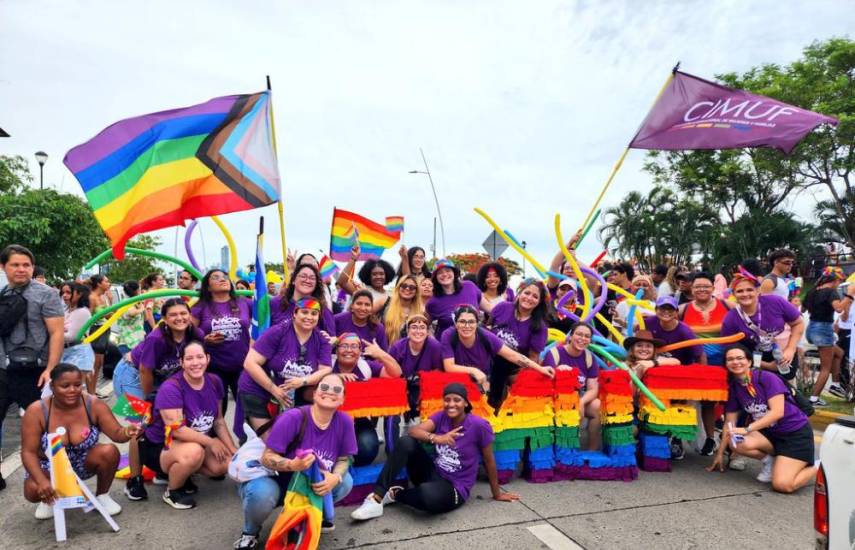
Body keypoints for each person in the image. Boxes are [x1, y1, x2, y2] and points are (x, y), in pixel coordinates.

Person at [350, 382, 519, 520]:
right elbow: (413, 432)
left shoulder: (479, 426)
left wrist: (497, 493)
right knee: (405, 442)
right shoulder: (441, 416)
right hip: (432, 472)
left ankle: (396, 494)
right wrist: (437, 438)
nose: (451, 404)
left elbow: (489, 460)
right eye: (447, 399)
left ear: (466, 403)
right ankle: (376, 498)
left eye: (457, 400)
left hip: (454, 487)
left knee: (427, 496)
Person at [235, 373, 356, 550]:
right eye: (324, 387)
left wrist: (335, 478)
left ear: (342, 399)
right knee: (261, 494)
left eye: (337, 389)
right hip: (277, 481)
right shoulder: (294, 417)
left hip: (308, 485)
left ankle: (309, 517)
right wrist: (293, 465)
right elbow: (267, 457)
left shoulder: (345, 421)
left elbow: (345, 459)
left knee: (345, 482)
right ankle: (250, 532)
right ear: (314, 394)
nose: (330, 392)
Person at [21, 364, 139, 518]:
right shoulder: (36, 411)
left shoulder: (94, 404)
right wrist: (42, 481)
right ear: (52, 386)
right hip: (49, 467)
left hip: (83, 463)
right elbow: (28, 452)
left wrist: (128, 431)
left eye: (77, 385)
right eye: (65, 386)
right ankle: (49, 500)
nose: (72, 390)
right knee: (32, 490)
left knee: (109, 451)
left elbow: (117, 434)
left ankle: (102, 495)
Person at [140, 340, 236, 509]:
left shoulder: (214, 381)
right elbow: (176, 431)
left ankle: (184, 472)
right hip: (160, 445)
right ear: (181, 362)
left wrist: (233, 450)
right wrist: (211, 442)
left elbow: (219, 421)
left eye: (200, 357)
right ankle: (173, 491)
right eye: (189, 358)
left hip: (193, 441)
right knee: (194, 452)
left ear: (208, 359)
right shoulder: (171, 388)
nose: (196, 363)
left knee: (225, 463)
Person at [708, 344, 817, 493]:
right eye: (730, 359)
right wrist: (720, 454)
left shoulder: (766, 378)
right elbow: (729, 423)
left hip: (794, 434)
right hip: (770, 434)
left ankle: (819, 466)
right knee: (736, 442)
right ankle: (771, 461)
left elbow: (777, 412)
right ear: (726, 364)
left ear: (750, 362)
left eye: (740, 358)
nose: (735, 362)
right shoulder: (735, 387)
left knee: (783, 485)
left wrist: (747, 429)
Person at [0, 245, 65, 491]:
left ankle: (54, 480)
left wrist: (52, 369)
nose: (21, 269)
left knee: (48, 428)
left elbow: (57, 333)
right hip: (4, 369)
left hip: (37, 372)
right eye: (15, 264)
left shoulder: (46, 294)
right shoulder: (2, 293)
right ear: (3, 267)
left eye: (26, 265)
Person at [239, 298, 333, 432]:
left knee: (290, 439)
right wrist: (274, 390)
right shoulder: (278, 332)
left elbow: (326, 369)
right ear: (295, 313)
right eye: (304, 312)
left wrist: (303, 381)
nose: (309, 317)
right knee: (271, 442)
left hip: (293, 395)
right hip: (259, 389)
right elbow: (250, 363)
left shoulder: (322, 340)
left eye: (314, 313)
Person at [441, 305, 554, 395]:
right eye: (462, 321)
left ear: (477, 323)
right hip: (458, 380)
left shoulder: (485, 335)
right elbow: (449, 367)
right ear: (455, 323)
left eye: (471, 322)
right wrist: (474, 371)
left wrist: (540, 368)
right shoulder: (448, 335)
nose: (467, 326)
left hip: (484, 380)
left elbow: (513, 356)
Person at [720, 270, 805, 388]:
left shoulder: (775, 302)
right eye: (740, 291)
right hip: (754, 362)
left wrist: (791, 349)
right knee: (762, 392)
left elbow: (798, 323)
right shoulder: (731, 318)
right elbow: (730, 350)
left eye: (749, 290)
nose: (745, 294)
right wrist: (765, 365)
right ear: (733, 294)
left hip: (782, 354)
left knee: (788, 393)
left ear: (758, 290)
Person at [679, 271, 733, 455]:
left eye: (706, 286)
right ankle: (678, 438)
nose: (702, 289)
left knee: (712, 402)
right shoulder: (683, 309)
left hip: (720, 361)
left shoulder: (727, 305)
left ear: (713, 287)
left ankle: (713, 439)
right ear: (691, 289)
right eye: (697, 286)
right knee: (684, 399)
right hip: (691, 361)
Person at [332, 333, 401, 466]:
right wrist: (335, 378)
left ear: (360, 351)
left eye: (354, 346)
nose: (349, 350)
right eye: (344, 346)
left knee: (367, 448)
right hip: (327, 420)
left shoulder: (365, 366)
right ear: (336, 349)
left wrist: (381, 354)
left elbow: (396, 373)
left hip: (356, 420)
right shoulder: (327, 364)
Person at [191, 269, 252, 419]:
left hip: (243, 366)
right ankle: (217, 442)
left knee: (249, 413)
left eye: (225, 276)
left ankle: (248, 441)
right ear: (208, 287)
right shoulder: (199, 307)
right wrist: (204, 339)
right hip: (213, 368)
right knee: (216, 414)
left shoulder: (245, 303)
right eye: (216, 277)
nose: (222, 279)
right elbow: (188, 335)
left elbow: (270, 311)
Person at [487, 280, 549, 407]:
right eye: (527, 293)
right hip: (486, 357)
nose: (529, 298)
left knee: (501, 363)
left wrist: (518, 380)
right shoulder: (502, 307)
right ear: (519, 293)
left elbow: (533, 358)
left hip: (513, 366)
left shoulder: (540, 327)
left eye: (535, 296)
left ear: (539, 302)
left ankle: (495, 405)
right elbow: (487, 329)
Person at [623, 330, 682, 459]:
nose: (644, 349)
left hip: (656, 411)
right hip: (632, 411)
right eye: (639, 345)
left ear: (654, 350)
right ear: (632, 349)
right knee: (631, 431)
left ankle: (671, 442)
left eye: (648, 346)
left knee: (657, 434)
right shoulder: (623, 366)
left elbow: (677, 361)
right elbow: (628, 396)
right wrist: (637, 374)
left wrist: (653, 363)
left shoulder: (658, 362)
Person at [543, 323, 602, 450]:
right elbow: (546, 385)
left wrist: (581, 401)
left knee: (598, 406)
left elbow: (593, 389)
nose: (582, 338)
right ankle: (559, 449)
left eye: (587, 336)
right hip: (556, 397)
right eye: (579, 334)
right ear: (570, 336)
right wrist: (558, 370)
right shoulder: (554, 354)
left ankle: (592, 451)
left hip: (579, 397)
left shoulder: (589, 357)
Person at [803, 266, 850, 403]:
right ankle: (814, 399)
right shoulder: (831, 292)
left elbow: (803, 308)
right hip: (823, 330)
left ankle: (835, 385)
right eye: (839, 281)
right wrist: (849, 295)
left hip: (811, 329)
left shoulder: (812, 291)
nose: (839, 284)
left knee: (839, 353)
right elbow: (839, 308)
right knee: (825, 368)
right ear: (835, 280)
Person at [388, 314, 444, 423]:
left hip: (425, 387)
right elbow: (389, 372)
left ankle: (427, 430)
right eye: (414, 327)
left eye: (422, 328)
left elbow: (439, 372)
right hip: (401, 386)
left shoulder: (435, 346)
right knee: (391, 408)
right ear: (407, 331)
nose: (418, 331)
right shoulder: (397, 347)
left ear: (427, 332)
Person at [426, 259, 485, 337]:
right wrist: (435, 343)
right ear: (435, 278)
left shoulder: (469, 287)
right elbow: (424, 325)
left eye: (448, 271)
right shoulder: (433, 301)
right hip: (447, 345)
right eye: (440, 273)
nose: (444, 274)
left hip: (474, 343)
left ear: (454, 273)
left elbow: (492, 310)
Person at [270, 264, 336, 334]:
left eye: (312, 278)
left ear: (316, 284)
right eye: (303, 276)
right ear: (293, 280)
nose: (307, 280)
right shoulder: (276, 302)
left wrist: (330, 340)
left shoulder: (323, 309)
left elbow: (333, 338)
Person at [641, 296, 704, 366]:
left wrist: (703, 373)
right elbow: (635, 328)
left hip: (680, 367)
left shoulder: (684, 331)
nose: (666, 311)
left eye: (670, 309)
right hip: (655, 364)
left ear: (676, 312)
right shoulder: (649, 321)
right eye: (662, 308)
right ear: (656, 310)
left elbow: (700, 354)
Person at [337, 242, 396, 314]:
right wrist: (353, 258)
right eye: (374, 274)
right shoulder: (361, 288)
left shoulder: (390, 295)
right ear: (368, 276)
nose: (378, 277)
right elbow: (342, 282)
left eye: (381, 274)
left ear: (387, 275)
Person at [112, 281, 147, 399]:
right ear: (137, 290)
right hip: (127, 342)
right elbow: (130, 313)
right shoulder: (126, 303)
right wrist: (142, 307)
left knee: (135, 376)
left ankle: (134, 411)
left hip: (137, 341)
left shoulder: (136, 302)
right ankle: (130, 409)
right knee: (128, 376)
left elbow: (142, 318)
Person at [59, 282, 96, 377]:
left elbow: (72, 337)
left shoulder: (82, 312)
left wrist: (52, 333)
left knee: (72, 389)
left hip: (79, 355)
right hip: (66, 352)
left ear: (79, 294)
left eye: (69, 292)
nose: (65, 295)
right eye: (63, 292)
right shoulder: (67, 310)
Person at [86, 274, 112, 397]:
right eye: (106, 281)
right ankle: (90, 392)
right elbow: (87, 317)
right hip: (95, 331)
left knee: (99, 364)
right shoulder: (92, 297)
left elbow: (108, 316)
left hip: (105, 330)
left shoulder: (104, 297)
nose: (109, 283)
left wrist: (111, 302)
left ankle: (93, 389)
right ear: (99, 284)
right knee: (94, 364)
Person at [382, 275, 425, 346]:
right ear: (398, 287)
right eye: (404, 285)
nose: (407, 289)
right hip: (386, 352)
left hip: (409, 354)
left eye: (412, 287)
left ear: (416, 291)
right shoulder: (385, 302)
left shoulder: (420, 312)